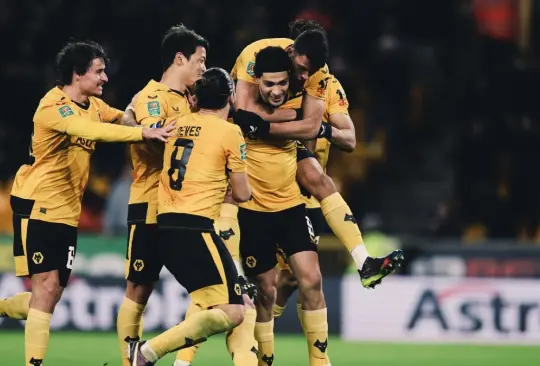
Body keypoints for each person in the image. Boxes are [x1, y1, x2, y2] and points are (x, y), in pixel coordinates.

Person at [0, 40, 173, 366]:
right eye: (99, 71)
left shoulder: (94, 105)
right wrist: (142, 135)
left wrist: (144, 117)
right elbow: (92, 131)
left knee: (49, 296)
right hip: (37, 203)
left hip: (67, 210)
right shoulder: (53, 107)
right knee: (46, 287)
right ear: (77, 74)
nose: (105, 78)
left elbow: (121, 119)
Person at [233, 21, 404, 291]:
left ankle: (363, 262)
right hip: (248, 150)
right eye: (300, 69)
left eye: (308, 72)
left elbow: (312, 127)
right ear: (290, 51)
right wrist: (290, 117)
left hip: (294, 169)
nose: (303, 77)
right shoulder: (256, 55)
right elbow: (242, 113)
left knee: (296, 279)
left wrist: (268, 123)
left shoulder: (320, 77)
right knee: (270, 280)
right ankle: (232, 275)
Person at [127, 67, 252, 366]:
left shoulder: (177, 123)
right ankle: (146, 352)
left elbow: (134, 120)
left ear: (196, 99)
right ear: (231, 96)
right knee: (236, 311)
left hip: (164, 227)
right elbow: (243, 193)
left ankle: (177, 361)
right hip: (196, 228)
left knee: (218, 303)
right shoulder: (230, 132)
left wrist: (131, 111)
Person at [116, 24, 209, 366]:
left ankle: (177, 359)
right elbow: (155, 142)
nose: (202, 68)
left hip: (186, 208)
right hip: (150, 206)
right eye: (199, 61)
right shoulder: (152, 97)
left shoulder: (191, 102)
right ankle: (131, 361)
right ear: (179, 58)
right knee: (139, 289)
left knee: (208, 292)